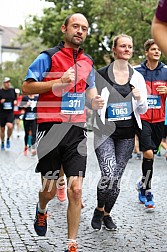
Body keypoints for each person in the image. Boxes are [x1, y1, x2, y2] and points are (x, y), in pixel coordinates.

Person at [22, 13, 104, 252]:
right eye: (75, 26)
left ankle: (72, 243)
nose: (80, 31)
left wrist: (94, 101)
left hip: (77, 129)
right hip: (50, 128)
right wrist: (58, 81)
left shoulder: (87, 61)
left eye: (84, 28)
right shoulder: (48, 57)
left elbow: (88, 90)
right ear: (64, 29)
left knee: (76, 189)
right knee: (48, 191)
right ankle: (42, 209)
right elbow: (27, 87)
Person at [91, 34, 148, 231]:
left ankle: (106, 214)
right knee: (108, 173)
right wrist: (93, 103)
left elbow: (143, 110)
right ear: (114, 50)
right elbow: (88, 101)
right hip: (104, 132)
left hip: (126, 135)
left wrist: (140, 99)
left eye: (129, 46)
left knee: (116, 179)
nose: (126, 49)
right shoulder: (101, 75)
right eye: (122, 46)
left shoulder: (137, 77)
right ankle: (99, 209)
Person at [135, 39, 167, 210]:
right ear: (146, 52)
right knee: (148, 153)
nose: (157, 52)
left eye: (159, 49)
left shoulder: (166, 72)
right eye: (153, 49)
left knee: (151, 155)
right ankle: (147, 191)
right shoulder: (137, 72)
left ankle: (142, 184)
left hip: (159, 120)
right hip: (144, 118)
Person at [0, 77, 16, 150]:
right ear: (4, 83)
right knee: (2, 129)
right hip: (2, 113)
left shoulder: (12, 90)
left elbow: (15, 99)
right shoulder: (0, 91)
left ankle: (8, 139)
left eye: (9, 82)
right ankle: (2, 142)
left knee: (10, 126)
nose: (8, 83)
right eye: (6, 82)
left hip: (10, 112)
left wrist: (15, 102)